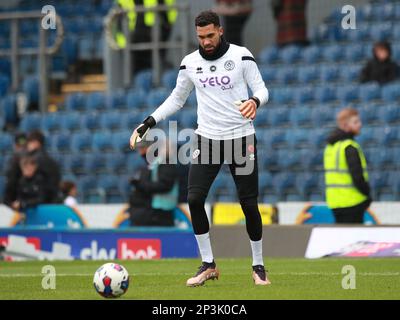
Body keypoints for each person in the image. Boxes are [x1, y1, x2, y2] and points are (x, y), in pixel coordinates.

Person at [130, 11, 270, 286]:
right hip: (207, 140)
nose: (205, 41)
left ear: (219, 30)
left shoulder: (241, 56)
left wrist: (255, 100)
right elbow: (176, 99)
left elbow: (263, 89)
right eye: (200, 37)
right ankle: (208, 264)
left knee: (248, 204)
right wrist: (148, 122)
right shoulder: (190, 63)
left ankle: (258, 265)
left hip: (241, 139)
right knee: (194, 199)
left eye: (209, 35)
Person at [324, 108, 372, 224]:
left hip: (335, 203)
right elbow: (357, 177)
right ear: (345, 125)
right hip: (352, 202)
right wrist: (367, 194)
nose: (360, 125)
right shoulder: (349, 147)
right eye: (355, 122)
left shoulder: (330, 147)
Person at [128, 139, 178, 226]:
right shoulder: (155, 163)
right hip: (151, 211)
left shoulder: (165, 163)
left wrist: (140, 184)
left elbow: (164, 185)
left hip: (159, 211)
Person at [25, 130, 61, 204]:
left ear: (36, 143)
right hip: (52, 201)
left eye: (29, 142)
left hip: (38, 202)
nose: (27, 146)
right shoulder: (51, 160)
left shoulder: (33, 160)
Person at [3, 132, 27, 208]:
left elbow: (11, 181)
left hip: (15, 200)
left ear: (15, 145)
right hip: (25, 199)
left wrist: (7, 200)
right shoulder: (31, 158)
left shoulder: (14, 159)